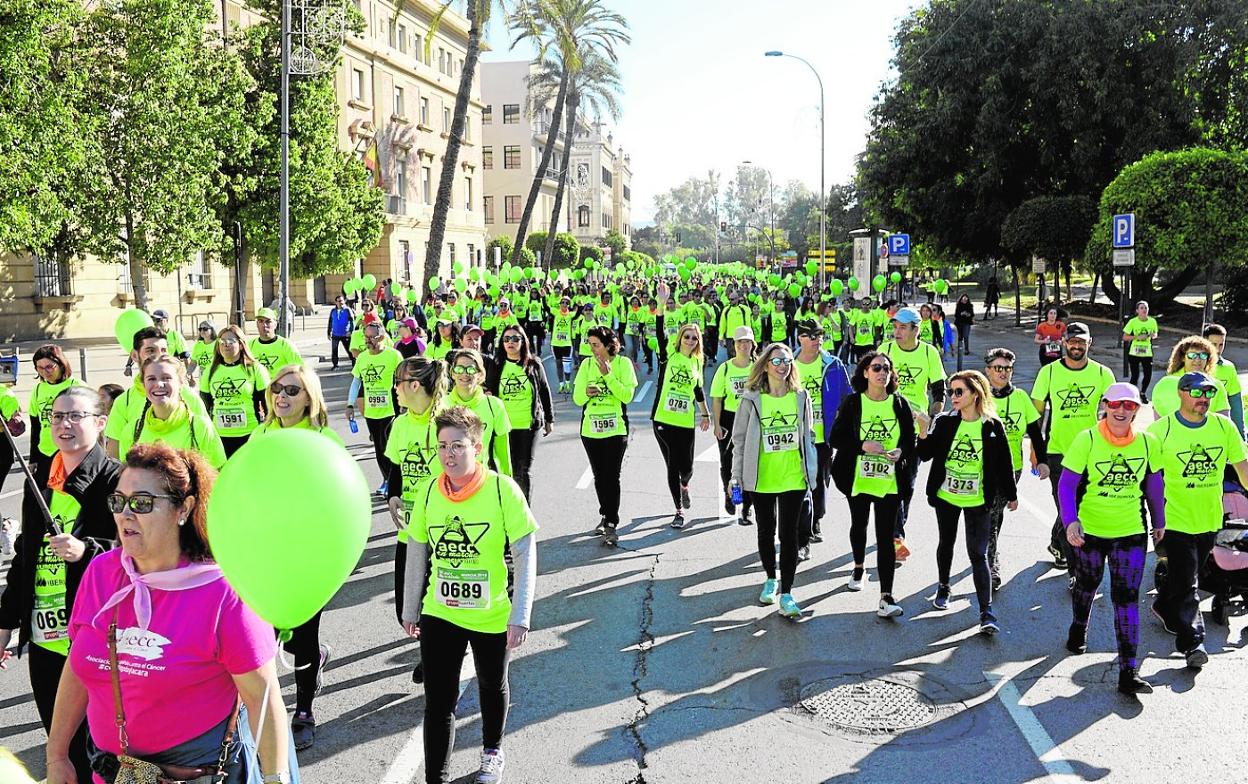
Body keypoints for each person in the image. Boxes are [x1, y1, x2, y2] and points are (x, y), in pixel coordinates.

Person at [46, 443, 294, 783]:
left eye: (142, 503)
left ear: (183, 509)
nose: (125, 514)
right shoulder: (101, 572)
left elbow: (263, 700)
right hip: (115, 774)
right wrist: (57, 756)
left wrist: (275, 778)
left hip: (197, 774)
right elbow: (78, 667)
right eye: (118, 501)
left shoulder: (224, 592)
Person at [400, 407, 537, 784]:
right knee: (438, 702)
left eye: (458, 446)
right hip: (440, 611)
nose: (449, 455)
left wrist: (520, 614)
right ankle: (436, 778)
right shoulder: (430, 490)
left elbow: (525, 553)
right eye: (443, 447)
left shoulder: (502, 489)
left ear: (476, 446)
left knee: (492, 684)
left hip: (491, 613)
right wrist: (411, 607)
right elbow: (416, 548)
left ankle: (492, 750)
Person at [0, 387, 121, 783]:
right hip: (45, 641)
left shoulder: (116, 480)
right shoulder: (40, 479)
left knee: (104, 754)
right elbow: (24, 560)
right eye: (56, 416)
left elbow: (134, 553)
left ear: (100, 423)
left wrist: (85, 550)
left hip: (95, 640)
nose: (64, 424)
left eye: (76, 416)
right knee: (61, 750)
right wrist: (4, 628)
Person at [250, 364, 341, 747]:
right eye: (276, 389)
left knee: (302, 636)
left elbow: (338, 501)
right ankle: (265, 707)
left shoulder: (324, 438)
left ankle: (303, 709)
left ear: (309, 397)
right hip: (266, 553)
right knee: (264, 638)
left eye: (291, 390)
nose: (281, 397)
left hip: (308, 556)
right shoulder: (261, 433)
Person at [1058, 383, 1164, 695]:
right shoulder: (1086, 439)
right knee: (1087, 584)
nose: (1121, 411)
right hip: (1090, 531)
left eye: (1128, 406)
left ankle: (1128, 671)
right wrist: (1070, 521)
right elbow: (1066, 485)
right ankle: (1079, 627)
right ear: (1105, 404)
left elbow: (1154, 487)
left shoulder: (1148, 443)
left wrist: (1159, 522)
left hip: (1130, 531)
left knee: (1126, 598)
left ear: (1136, 410)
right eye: (1115, 404)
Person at [1147, 371, 1248, 669]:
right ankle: (1192, 642)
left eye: (1209, 393)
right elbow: (1147, 474)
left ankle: (1164, 606)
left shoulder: (1222, 426)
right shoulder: (1161, 430)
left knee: (1187, 575)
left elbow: (1242, 466)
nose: (1204, 399)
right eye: (1197, 392)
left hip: (1209, 518)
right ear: (1181, 393)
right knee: (1189, 580)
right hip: (1174, 518)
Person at [918, 371, 1016, 634]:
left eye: (959, 392)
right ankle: (943, 586)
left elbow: (1004, 463)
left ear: (976, 393)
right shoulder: (946, 422)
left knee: (977, 553)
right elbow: (925, 455)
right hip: (946, 496)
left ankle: (986, 612)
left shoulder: (991, 425)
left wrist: (1012, 495)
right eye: (951, 392)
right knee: (946, 542)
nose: (954, 397)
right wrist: (923, 430)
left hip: (978, 500)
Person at [828, 351, 920, 619]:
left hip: (888, 481)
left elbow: (910, 440)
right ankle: (858, 567)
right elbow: (835, 438)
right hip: (857, 478)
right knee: (859, 525)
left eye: (887, 369)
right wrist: (862, 446)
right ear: (865, 373)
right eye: (876, 368)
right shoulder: (854, 403)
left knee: (885, 537)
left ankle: (886, 597)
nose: (882, 373)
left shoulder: (899, 404)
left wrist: (901, 451)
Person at [731, 342, 817, 619]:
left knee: (789, 535)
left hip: (793, 477)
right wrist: (735, 476)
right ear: (766, 364)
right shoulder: (751, 398)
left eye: (788, 361)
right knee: (766, 531)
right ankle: (771, 577)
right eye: (777, 361)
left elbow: (809, 436)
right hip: (762, 478)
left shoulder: (801, 397)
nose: (783, 366)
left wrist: (811, 471)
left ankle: (788, 594)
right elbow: (740, 440)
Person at [1030, 322, 1115, 578]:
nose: (1076, 346)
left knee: (1079, 508)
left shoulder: (1102, 373)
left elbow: (1117, 411)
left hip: (1091, 454)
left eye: (1081, 341)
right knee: (1069, 511)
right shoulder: (1050, 372)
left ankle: (1058, 543)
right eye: (1072, 341)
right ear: (1064, 343)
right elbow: (1036, 415)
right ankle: (1076, 574)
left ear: (1090, 343)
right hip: (1058, 453)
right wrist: (1036, 451)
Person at [878, 307, 947, 566]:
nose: (897, 331)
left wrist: (930, 419)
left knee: (907, 483)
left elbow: (939, 392)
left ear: (916, 329)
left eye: (903, 327)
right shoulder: (887, 349)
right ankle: (896, 535)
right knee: (890, 481)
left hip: (915, 428)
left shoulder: (929, 353)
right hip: (887, 424)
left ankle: (894, 529)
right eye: (895, 326)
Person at [984, 348, 1047, 589]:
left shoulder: (1020, 397)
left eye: (1007, 368)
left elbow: (1034, 432)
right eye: (997, 368)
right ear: (988, 370)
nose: (1002, 373)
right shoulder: (980, 395)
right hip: (981, 466)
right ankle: (992, 563)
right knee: (989, 514)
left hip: (1012, 468)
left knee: (994, 513)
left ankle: (989, 554)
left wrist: (1040, 461)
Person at [573, 327, 638, 547]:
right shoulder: (586, 364)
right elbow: (577, 399)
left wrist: (608, 376)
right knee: (599, 476)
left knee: (613, 476)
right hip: (591, 430)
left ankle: (611, 521)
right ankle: (605, 513)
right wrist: (586, 393)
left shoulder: (623, 364)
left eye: (596, 345)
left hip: (616, 428)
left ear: (609, 344)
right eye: (589, 344)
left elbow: (627, 396)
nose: (592, 349)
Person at [104, 326, 209, 459]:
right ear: (135, 355)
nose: (159, 356)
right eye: (150, 351)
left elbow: (209, 448)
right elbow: (115, 456)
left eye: (164, 350)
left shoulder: (188, 396)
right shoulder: (124, 402)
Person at [652, 294, 711, 530]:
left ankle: (685, 485)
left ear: (698, 342)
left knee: (687, 468)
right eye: (686, 337)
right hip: (663, 421)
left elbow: (698, 391)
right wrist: (660, 303)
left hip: (685, 422)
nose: (689, 340)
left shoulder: (697, 363)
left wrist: (705, 415)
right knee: (672, 466)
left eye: (694, 338)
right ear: (680, 339)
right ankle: (677, 511)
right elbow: (658, 332)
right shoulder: (668, 356)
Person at [793, 319, 850, 556]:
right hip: (796, 437)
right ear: (800, 339)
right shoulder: (788, 364)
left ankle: (817, 518)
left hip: (823, 438)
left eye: (820, 336)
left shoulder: (833, 365)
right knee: (799, 485)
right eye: (811, 336)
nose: (817, 341)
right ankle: (802, 537)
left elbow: (848, 398)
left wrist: (842, 428)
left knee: (819, 483)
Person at [121, 355, 227, 469]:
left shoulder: (200, 427)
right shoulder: (131, 431)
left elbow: (220, 477)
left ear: (181, 383)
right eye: (151, 379)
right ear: (143, 385)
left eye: (166, 378)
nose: (159, 384)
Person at [486, 326, 553, 501]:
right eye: (507, 339)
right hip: (504, 427)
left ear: (523, 342)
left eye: (515, 339)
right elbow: (491, 391)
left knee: (523, 470)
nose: (511, 342)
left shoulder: (534, 364)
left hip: (528, 425)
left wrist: (549, 419)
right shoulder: (497, 365)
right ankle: (509, 506)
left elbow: (544, 391)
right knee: (506, 469)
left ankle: (524, 510)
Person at [348, 321, 403, 495]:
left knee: (388, 446)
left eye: (371, 337)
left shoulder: (394, 356)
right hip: (371, 411)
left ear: (381, 337)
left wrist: (405, 405)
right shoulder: (363, 358)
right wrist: (350, 404)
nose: (368, 340)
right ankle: (387, 480)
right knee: (379, 449)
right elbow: (356, 381)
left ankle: (395, 480)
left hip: (390, 410)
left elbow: (403, 380)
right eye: (366, 337)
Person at [200, 325, 270, 457]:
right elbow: (204, 407)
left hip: (249, 434)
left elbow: (268, 404)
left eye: (231, 342)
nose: (226, 345)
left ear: (241, 344)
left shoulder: (255, 369)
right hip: (219, 436)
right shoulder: (210, 371)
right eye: (222, 342)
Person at [711, 326, 757, 524]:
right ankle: (732, 495)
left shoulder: (758, 367)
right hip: (730, 419)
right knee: (728, 462)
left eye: (747, 342)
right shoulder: (726, 368)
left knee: (751, 464)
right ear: (734, 345)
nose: (743, 345)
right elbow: (717, 398)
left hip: (753, 419)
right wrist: (717, 424)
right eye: (740, 342)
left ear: (752, 345)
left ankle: (747, 506)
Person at [447, 349, 512, 477]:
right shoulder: (441, 405)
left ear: (480, 374)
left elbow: (503, 452)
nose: (465, 374)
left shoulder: (494, 405)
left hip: (481, 480)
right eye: (459, 369)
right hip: (448, 480)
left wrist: (507, 481)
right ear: (453, 373)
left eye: (471, 369)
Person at [1149, 335, 1231, 420]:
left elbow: (1224, 421)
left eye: (1203, 355)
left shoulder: (1217, 386)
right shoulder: (1165, 384)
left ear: (1208, 359)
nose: (1198, 359)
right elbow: (1159, 421)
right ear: (1182, 357)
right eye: (1192, 355)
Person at [1202, 324, 1243, 437]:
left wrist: (1241, 437)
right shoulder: (1192, 365)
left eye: (1221, 344)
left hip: (1220, 430)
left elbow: (1235, 405)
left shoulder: (1229, 368)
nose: (1218, 349)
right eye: (1213, 344)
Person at [249, 306, 304, 374]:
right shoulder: (250, 345)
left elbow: (299, 370)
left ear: (275, 324)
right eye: (261, 321)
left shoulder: (285, 345)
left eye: (268, 322)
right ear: (257, 324)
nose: (264, 325)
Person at [1122, 301, 1158, 400]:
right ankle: (1131, 394)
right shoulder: (1133, 322)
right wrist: (1137, 337)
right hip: (1134, 352)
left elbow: (1155, 334)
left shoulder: (1152, 321)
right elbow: (1125, 337)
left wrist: (1152, 336)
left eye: (1146, 308)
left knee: (1148, 375)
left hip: (1147, 352)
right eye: (1142, 308)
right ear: (1137, 310)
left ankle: (1143, 392)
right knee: (1135, 375)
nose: (1144, 310)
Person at [550, 297, 576, 393]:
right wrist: (543, 296)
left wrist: (580, 306)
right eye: (562, 302)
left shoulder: (571, 315)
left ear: (569, 305)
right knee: (558, 364)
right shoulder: (555, 312)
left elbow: (578, 314)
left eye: (566, 303)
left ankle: (568, 384)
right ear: (560, 304)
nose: (564, 304)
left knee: (567, 365)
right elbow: (545, 307)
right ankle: (561, 385)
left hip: (567, 344)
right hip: (556, 343)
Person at [327, 294, 356, 370]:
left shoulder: (348, 310)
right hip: (335, 334)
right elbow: (330, 322)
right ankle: (335, 365)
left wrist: (351, 331)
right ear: (336, 302)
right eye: (339, 301)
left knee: (349, 350)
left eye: (342, 301)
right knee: (334, 350)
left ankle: (354, 363)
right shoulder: (333, 311)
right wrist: (329, 332)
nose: (341, 303)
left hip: (345, 334)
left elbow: (352, 321)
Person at [189, 321, 217, 386]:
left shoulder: (218, 344)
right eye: (200, 329)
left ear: (212, 330)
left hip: (215, 377)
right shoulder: (198, 345)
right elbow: (193, 362)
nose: (202, 331)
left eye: (205, 329)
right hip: (203, 379)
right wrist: (188, 373)